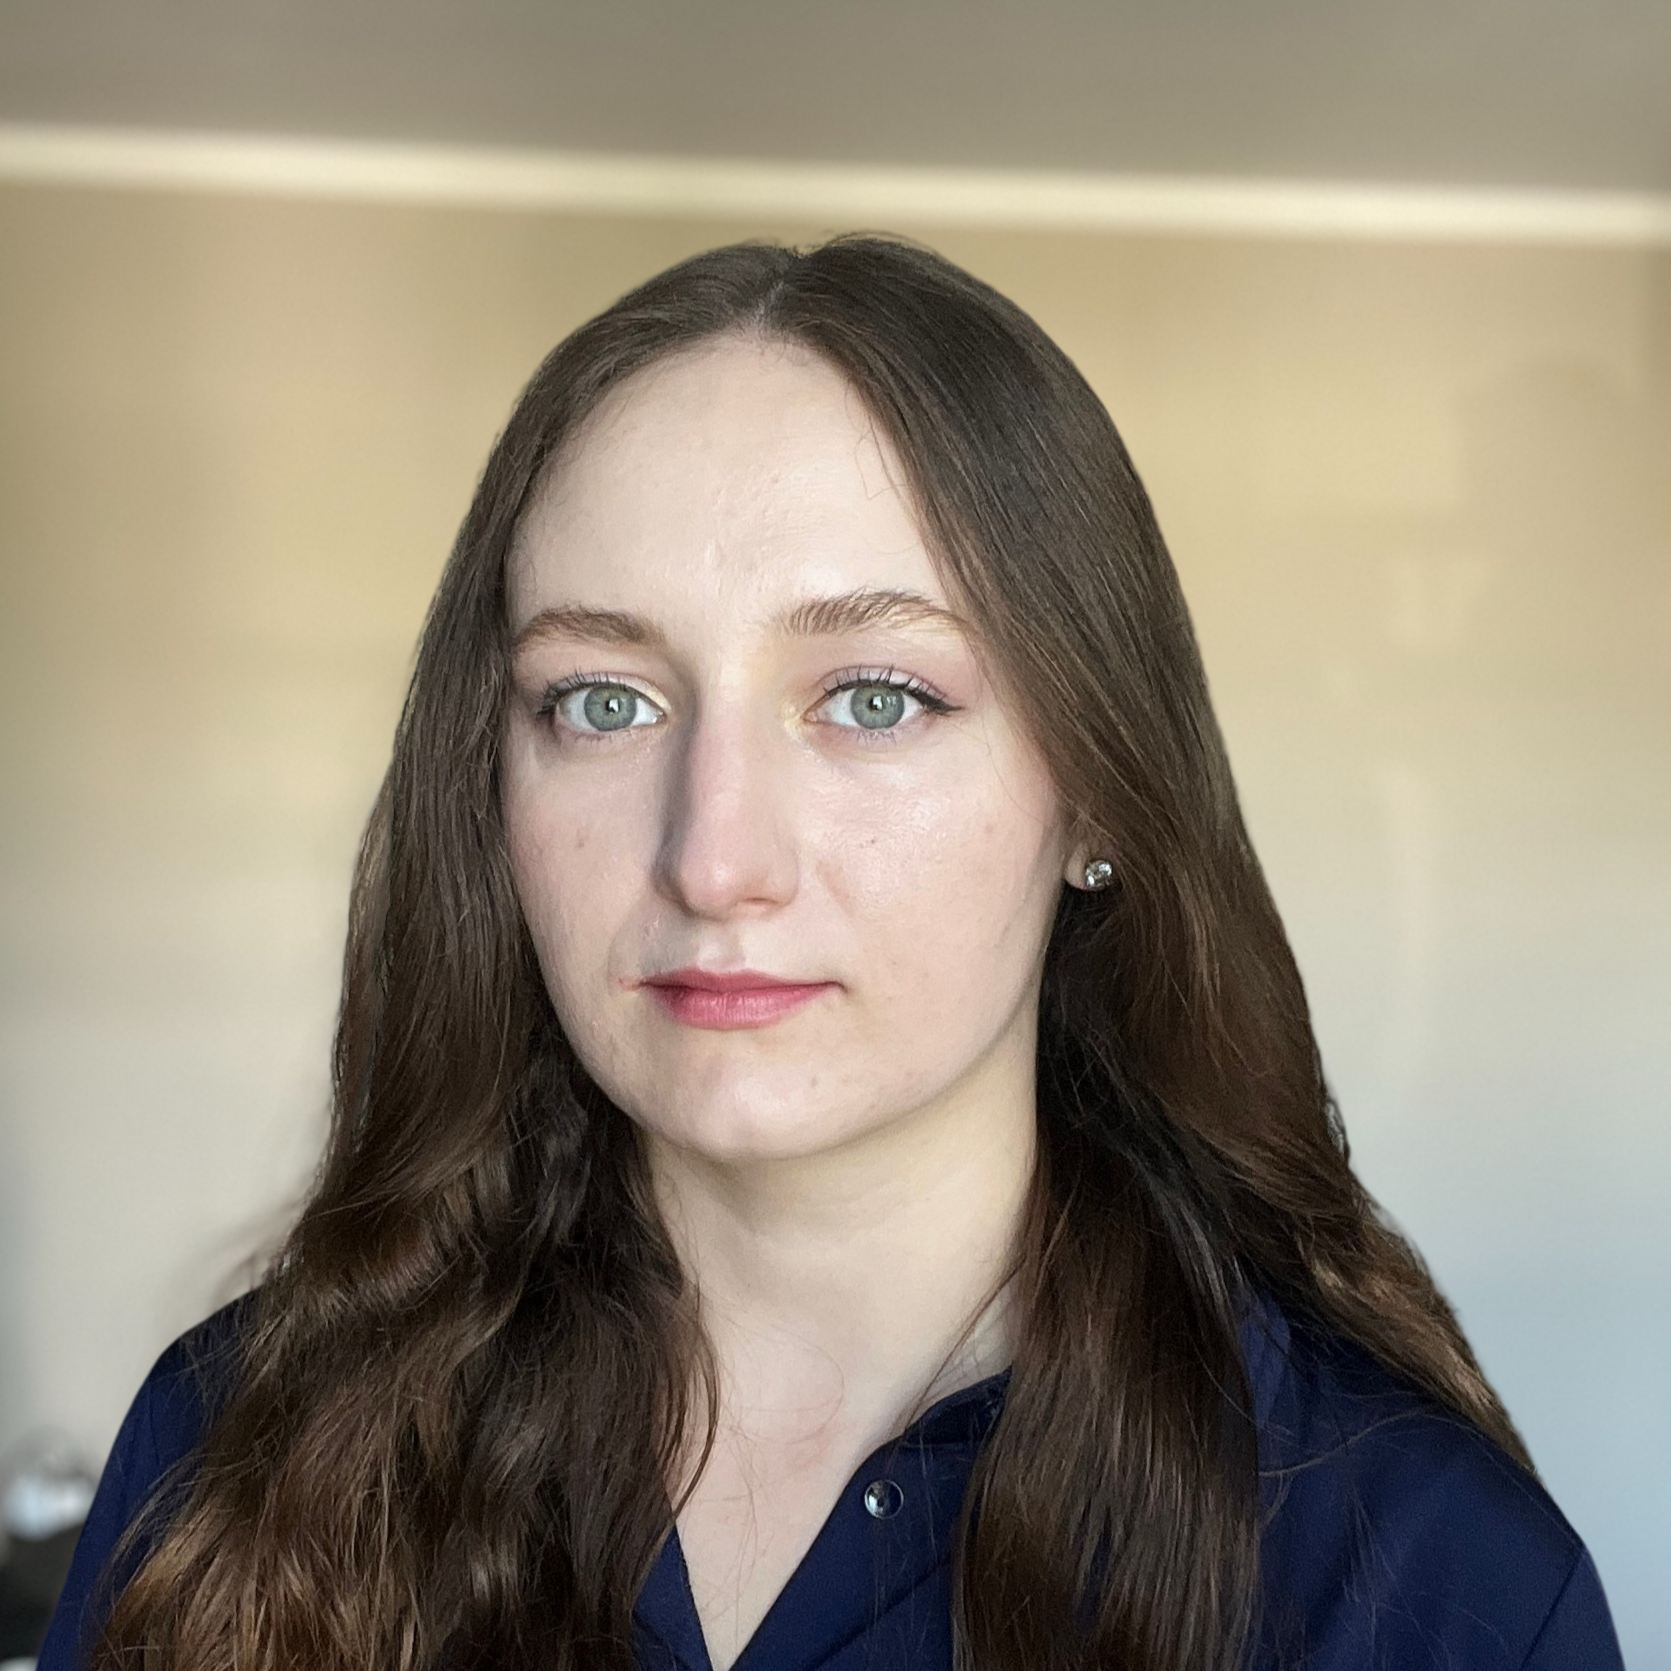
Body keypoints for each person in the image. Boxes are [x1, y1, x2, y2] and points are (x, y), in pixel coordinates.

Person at [40, 236, 1621, 1671]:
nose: (713, 857)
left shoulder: (1424, 1576)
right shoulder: (232, 1448)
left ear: (1094, 791)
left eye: (874, 697)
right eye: (601, 700)